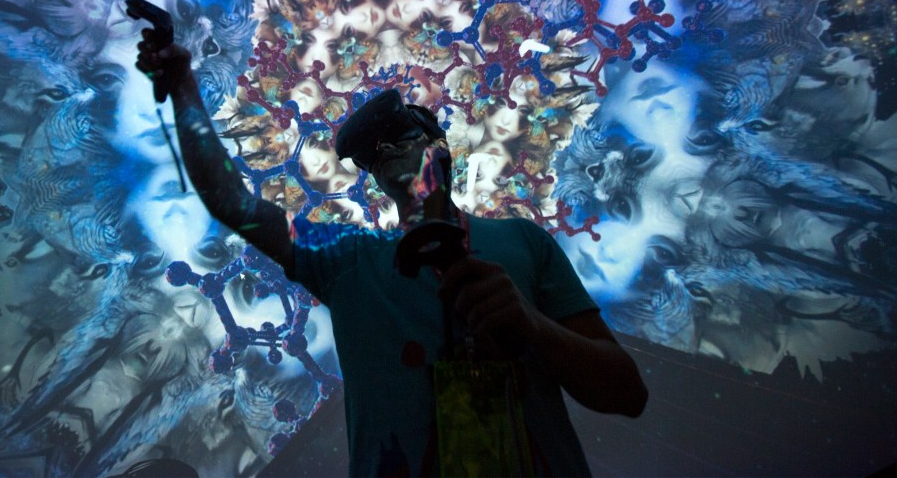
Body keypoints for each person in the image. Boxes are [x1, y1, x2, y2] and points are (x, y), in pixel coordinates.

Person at [136, 36, 648, 477]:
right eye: (374, 158)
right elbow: (234, 203)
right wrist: (182, 83)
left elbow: (627, 392)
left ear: (441, 146)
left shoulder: (523, 241)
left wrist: (534, 328)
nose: (388, 158)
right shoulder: (346, 258)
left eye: (401, 140)